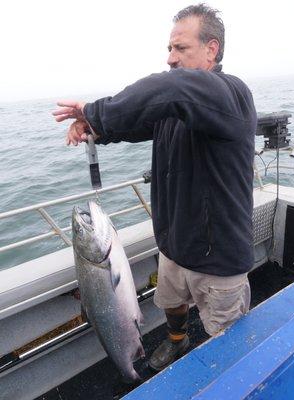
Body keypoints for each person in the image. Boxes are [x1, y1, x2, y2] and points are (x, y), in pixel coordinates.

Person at [53, 4, 257, 372]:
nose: (170, 58)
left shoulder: (231, 95)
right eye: (169, 49)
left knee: (228, 346)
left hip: (219, 258)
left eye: (181, 49)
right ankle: (177, 342)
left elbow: (169, 88)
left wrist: (96, 110)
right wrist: (95, 129)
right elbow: (139, 121)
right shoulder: (178, 107)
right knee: (171, 302)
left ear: (212, 49)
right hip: (175, 244)